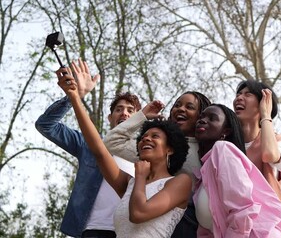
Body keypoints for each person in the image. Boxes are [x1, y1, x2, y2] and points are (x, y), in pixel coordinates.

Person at [57, 67, 193, 237]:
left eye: (155, 136)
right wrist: (75, 98)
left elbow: (139, 214)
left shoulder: (180, 182)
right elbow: (100, 150)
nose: (146, 139)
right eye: (143, 136)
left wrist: (141, 177)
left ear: (170, 148)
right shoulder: (130, 183)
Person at [35, 59, 142, 237]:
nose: (124, 113)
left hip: (131, 231)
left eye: (130, 110)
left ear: (139, 119)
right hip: (93, 230)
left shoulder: (149, 154)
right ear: (110, 118)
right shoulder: (89, 144)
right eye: (119, 109)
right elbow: (45, 125)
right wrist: (73, 97)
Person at [103, 91, 211, 238]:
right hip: (150, 221)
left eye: (189, 107)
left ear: (201, 116)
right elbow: (112, 142)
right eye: (177, 105)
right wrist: (142, 116)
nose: (181, 109)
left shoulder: (207, 151)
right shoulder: (154, 148)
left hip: (190, 227)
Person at [194, 104, 281, 237]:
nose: (202, 120)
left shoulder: (223, 150)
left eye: (212, 118)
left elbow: (242, 209)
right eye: (201, 117)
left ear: (226, 131)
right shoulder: (202, 173)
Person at [233, 80, 281, 237]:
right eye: (238, 94)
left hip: (269, 227)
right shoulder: (227, 144)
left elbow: (269, 155)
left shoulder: (278, 141)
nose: (239, 98)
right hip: (234, 224)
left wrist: (266, 115)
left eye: (248, 94)